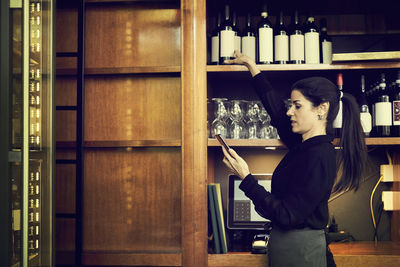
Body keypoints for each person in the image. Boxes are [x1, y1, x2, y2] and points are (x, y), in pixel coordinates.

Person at [220, 51, 367, 267]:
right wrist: (251, 66)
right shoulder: (303, 145)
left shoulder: (319, 155)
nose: (290, 111)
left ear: (322, 109)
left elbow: (287, 215)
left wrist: (246, 177)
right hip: (288, 248)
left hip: (301, 253)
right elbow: (276, 110)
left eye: (297, 106)